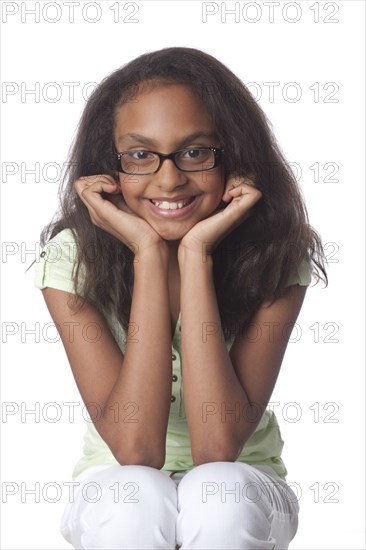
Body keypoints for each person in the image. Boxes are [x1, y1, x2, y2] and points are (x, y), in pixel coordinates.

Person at [33, 47, 328, 549]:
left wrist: (195, 256)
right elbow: (135, 448)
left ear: (234, 156)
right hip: (114, 483)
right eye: (141, 155)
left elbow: (218, 447)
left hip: (244, 482)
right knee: (135, 494)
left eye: (195, 151)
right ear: (110, 166)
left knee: (219, 493)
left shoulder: (276, 252)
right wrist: (147, 253)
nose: (168, 179)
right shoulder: (73, 258)